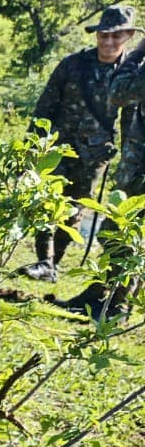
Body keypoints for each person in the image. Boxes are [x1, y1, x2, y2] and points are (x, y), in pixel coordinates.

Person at [18, 4, 137, 284]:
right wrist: (31, 147)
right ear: (97, 35)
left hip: (94, 154)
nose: (109, 42)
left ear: (129, 36)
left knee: (74, 209)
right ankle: (44, 260)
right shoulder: (72, 64)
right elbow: (45, 106)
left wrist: (126, 162)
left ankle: (54, 264)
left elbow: (130, 122)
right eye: (104, 35)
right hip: (56, 146)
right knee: (46, 201)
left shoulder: (129, 76)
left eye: (116, 36)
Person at [62, 29, 145, 319]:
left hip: (140, 171)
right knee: (127, 232)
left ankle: (114, 305)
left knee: (123, 231)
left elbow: (118, 92)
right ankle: (104, 296)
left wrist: (137, 53)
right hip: (137, 166)